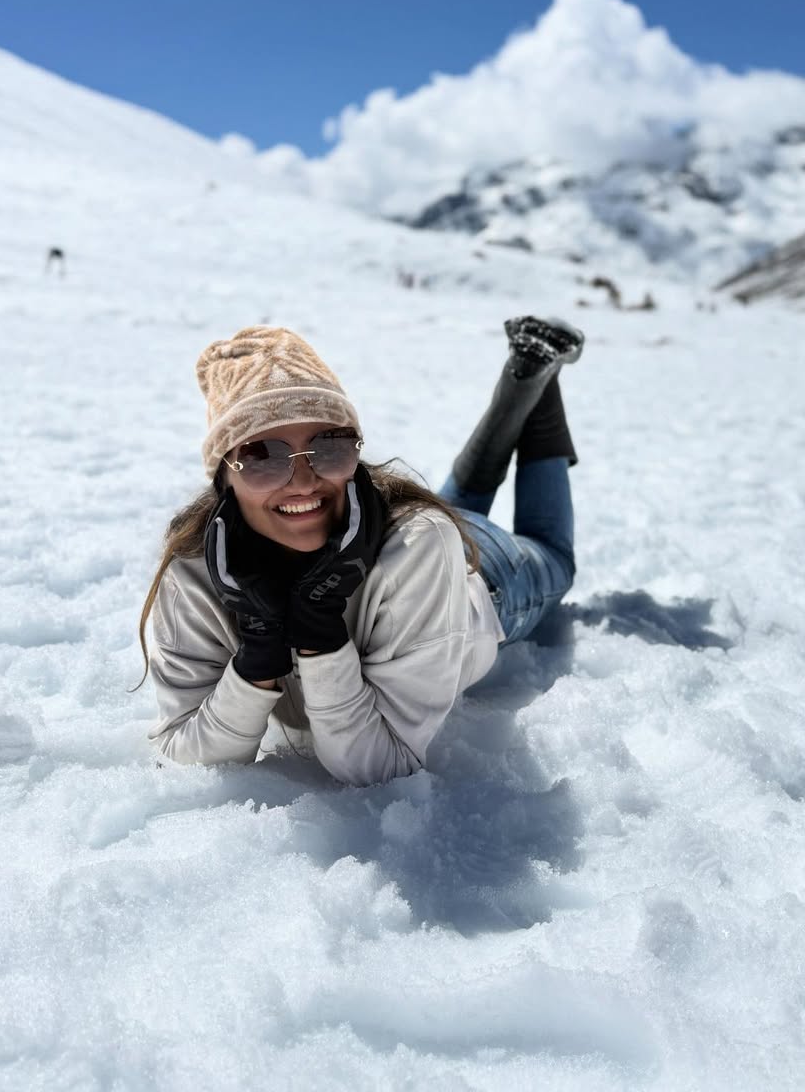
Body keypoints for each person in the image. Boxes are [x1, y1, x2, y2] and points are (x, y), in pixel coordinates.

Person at [139, 317, 583, 786]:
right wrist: (257, 657)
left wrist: (321, 633)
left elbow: (382, 763)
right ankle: (527, 378)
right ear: (223, 477)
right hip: (427, 537)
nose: (304, 481)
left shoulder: (419, 543)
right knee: (453, 510)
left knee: (552, 554)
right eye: (262, 456)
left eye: (329, 446)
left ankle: (539, 383)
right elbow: (186, 757)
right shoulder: (194, 571)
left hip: (488, 579)